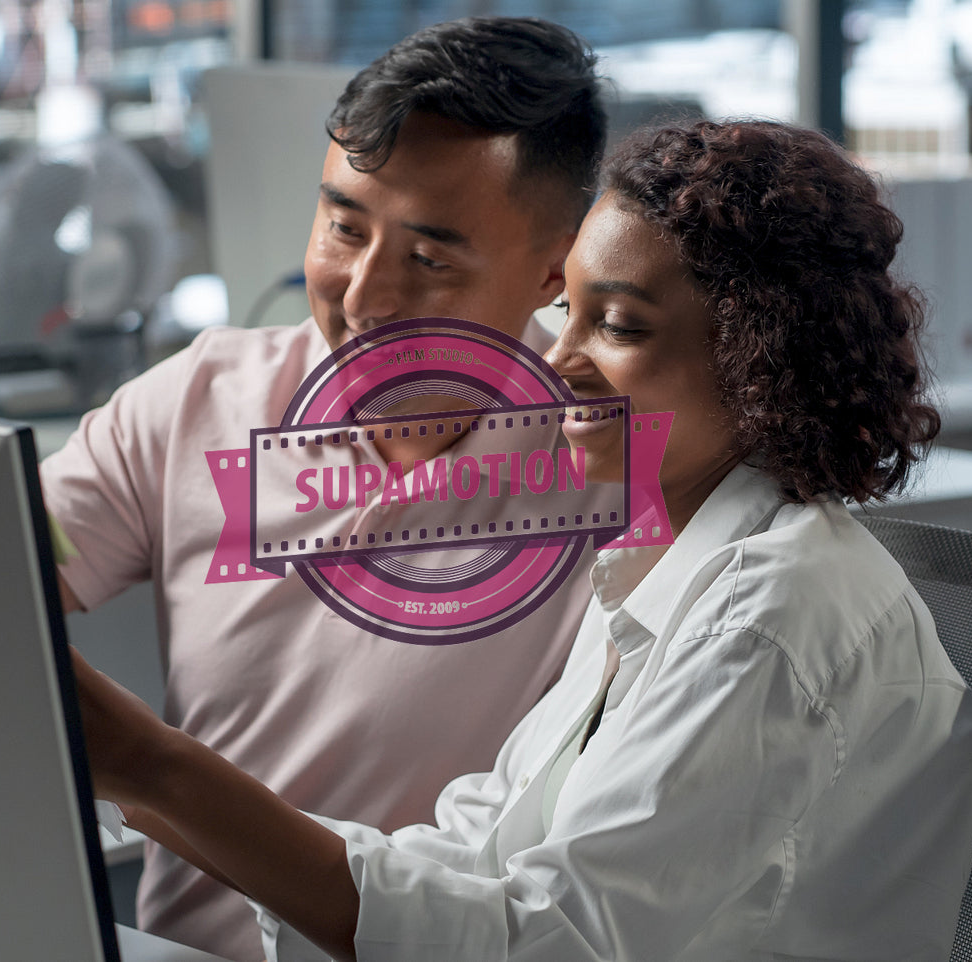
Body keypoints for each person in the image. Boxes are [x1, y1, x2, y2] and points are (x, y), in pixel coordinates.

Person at [70, 118, 972, 962]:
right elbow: (482, 845)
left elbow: (547, 942)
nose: (558, 362)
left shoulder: (767, 616)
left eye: (619, 326)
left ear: (760, 361)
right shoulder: (657, 565)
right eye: (575, 314)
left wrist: (160, 769)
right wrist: (154, 794)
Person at [40, 17, 607, 960]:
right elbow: (3, 566)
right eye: (344, 226)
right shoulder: (196, 401)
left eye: (430, 259)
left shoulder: (613, 472)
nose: (363, 296)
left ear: (555, 270)